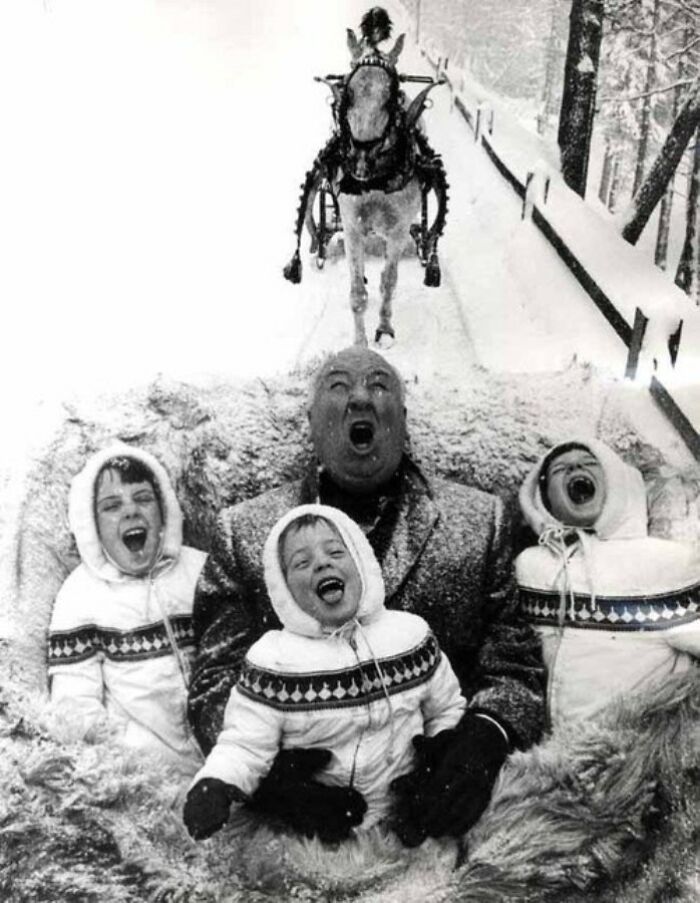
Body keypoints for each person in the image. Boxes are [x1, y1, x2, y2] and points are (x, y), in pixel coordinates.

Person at [188, 347, 545, 844]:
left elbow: (516, 668)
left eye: (380, 385)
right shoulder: (243, 531)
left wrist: (481, 742)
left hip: (439, 819)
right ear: (312, 422)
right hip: (300, 840)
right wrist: (264, 780)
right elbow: (212, 681)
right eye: (338, 386)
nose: (360, 397)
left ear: (402, 418)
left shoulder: (481, 519)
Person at [183, 504, 467, 841]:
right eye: (301, 563)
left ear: (361, 562)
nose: (322, 562)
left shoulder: (410, 636)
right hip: (319, 833)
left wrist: (440, 760)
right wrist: (215, 784)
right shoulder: (274, 661)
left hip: (405, 822)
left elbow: (446, 708)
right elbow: (245, 745)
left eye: (335, 551)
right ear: (284, 589)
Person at [516, 438, 700, 729]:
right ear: (545, 497)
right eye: (559, 469)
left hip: (632, 748)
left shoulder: (667, 562)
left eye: (590, 464)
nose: (575, 467)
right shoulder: (530, 565)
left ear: (617, 483)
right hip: (545, 749)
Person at [47, 444, 206, 773]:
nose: (131, 512)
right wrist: (123, 767)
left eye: (144, 498)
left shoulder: (200, 572)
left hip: (226, 761)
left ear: (165, 511)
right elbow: (74, 704)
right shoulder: (80, 595)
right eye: (112, 506)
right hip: (147, 772)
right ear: (92, 525)